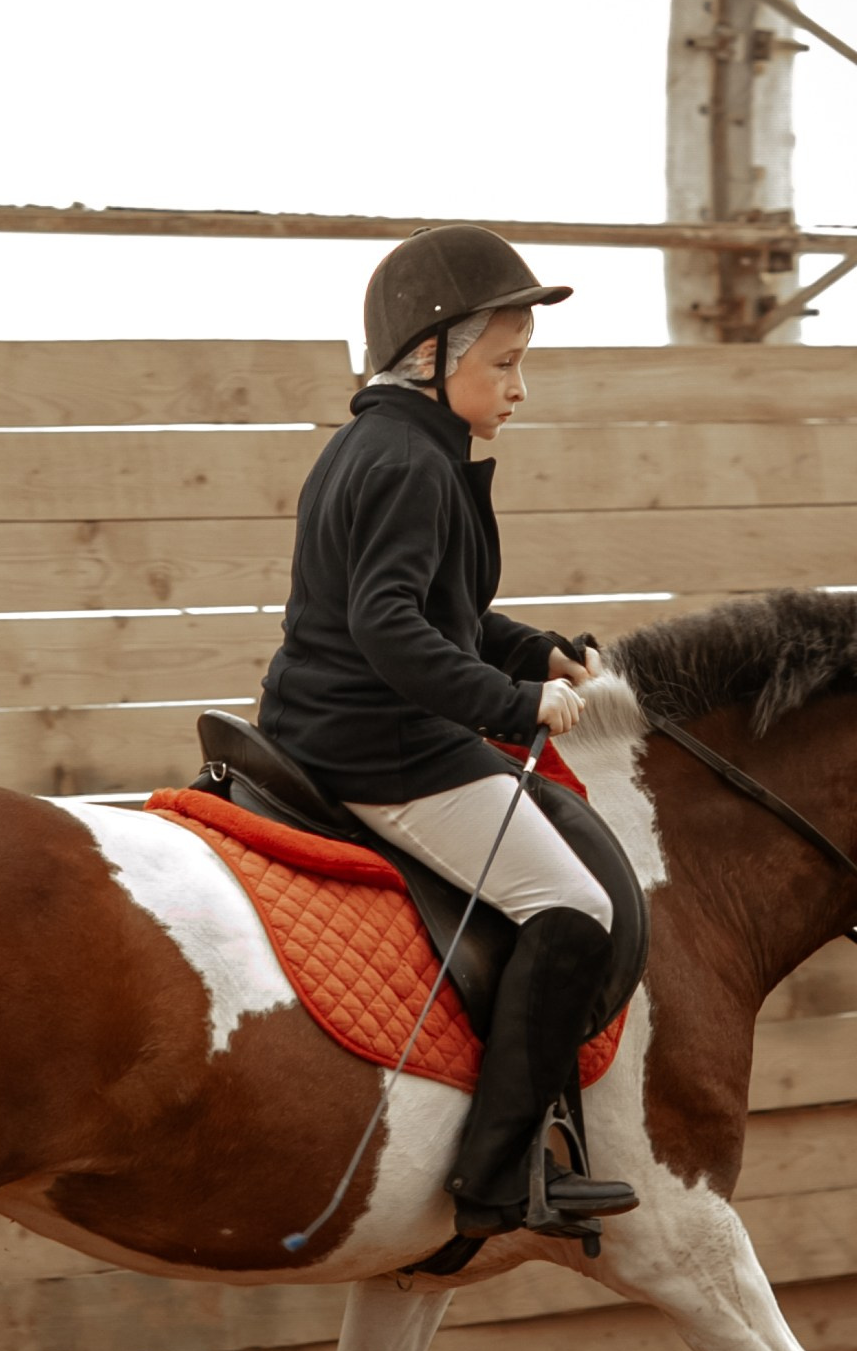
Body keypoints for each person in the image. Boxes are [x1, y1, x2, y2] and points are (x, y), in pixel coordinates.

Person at [258, 224, 635, 1233]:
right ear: (431, 358)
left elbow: (437, 613)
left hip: (332, 720)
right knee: (576, 907)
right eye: (504, 363)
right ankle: (502, 1172)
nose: (520, 388)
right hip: (381, 747)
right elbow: (390, 631)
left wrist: (534, 652)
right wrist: (513, 706)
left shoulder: (386, 446)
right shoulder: (412, 464)